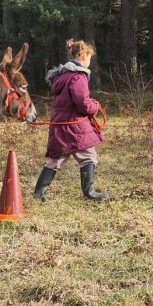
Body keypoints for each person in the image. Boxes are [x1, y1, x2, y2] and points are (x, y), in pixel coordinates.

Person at [33, 39, 108, 201]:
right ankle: (89, 192)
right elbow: (83, 104)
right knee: (89, 157)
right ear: (81, 56)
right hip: (75, 126)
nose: (89, 62)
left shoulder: (63, 76)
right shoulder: (78, 77)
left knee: (56, 159)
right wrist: (94, 107)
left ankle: (39, 194)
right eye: (89, 58)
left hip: (60, 125)